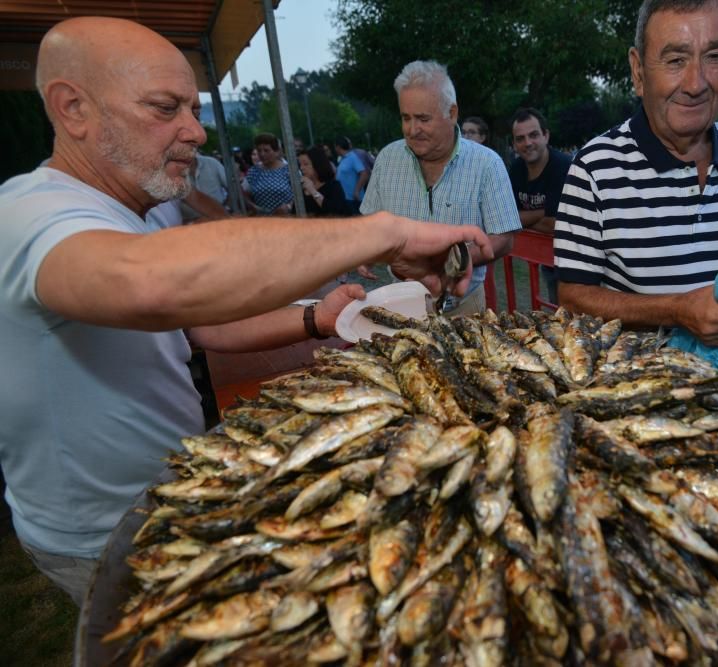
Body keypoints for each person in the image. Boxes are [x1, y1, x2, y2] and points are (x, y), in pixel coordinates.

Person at [0, 16, 493, 606]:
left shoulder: (148, 207)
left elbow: (197, 324)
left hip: (178, 487)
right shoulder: (28, 215)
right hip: (100, 528)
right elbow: (145, 283)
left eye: (192, 107)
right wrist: (384, 234)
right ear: (72, 108)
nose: (195, 131)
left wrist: (316, 317)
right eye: (165, 109)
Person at [554, 0, 718, 346]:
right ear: (639, 71)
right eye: (675, 60)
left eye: (716, 57)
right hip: (626, 394)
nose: (695, 83)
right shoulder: (594, 168)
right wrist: (676, 310)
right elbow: (573, 297)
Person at [361, 60, 521, 316]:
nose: (413, 130)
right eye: (406, 118)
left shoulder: (487, 163)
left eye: (424, 118)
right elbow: (371, 222)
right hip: (401, 307)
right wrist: (366, 249)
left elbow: (503, 238)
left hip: (464, 308)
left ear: (452, 112)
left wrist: (449, 262)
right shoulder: (387, 158)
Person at [508, 107, 572, 304]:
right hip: (548, 259)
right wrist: (544, 214)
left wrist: (521, 219)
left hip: (575, 260)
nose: (527, 143)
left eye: (534, 135)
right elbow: (507, 216)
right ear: (514, 145)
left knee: (574, 317)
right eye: (520, 138)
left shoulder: (563, 166)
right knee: (556, 308)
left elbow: (556, 224)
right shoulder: (517, 170)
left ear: (546, 136)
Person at [243, 132, 293, 215]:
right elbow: (243, 193)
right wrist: (253, 206)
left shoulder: (289, 170)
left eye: (266, 150)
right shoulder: (254, 171)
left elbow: (300, 193)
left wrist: (289, 206)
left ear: (276, 151)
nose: (262, 154)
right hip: (262, 219)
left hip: (287, 218)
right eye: (259, 150)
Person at [299, 145, 351, 217]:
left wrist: (313, 191)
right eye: (300, 164)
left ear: (317, 164)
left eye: (306, 164)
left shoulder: (333, 186)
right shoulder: (301, 189)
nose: (301, 168)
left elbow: (334, 211)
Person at [180, 152, 230, 222]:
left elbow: (233, 188)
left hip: (218, 219)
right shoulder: (173, 173)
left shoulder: (211, 163)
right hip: (190, 224)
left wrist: (226, 207)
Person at [333, 136, 370, 214]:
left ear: (338, 147)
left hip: (353, 199)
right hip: (346, 199)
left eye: (335, 147)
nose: (335, 149)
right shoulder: (342, 159)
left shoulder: (352, 157)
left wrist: (357, 191)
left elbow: (364, 174)